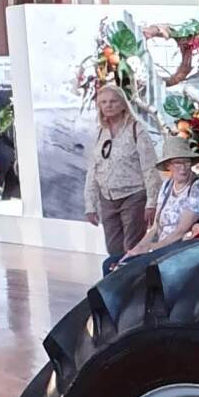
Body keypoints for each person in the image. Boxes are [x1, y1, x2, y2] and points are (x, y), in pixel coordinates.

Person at [82, 80, 149, 261]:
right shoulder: (99, 133)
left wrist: (152, 202)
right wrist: (90, 203)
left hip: (134, 195)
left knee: (132, 248)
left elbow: (150, 167)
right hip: (108, 199)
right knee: (113, 249)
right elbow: (93, 170)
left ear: (122, 104)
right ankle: (116, 284)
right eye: (103, 102)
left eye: (113, 101)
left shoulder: (136, 129)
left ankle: (133, 286)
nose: (108, 106)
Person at [129, 132, 199, 256]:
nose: (183, 167)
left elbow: (182, 231)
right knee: (113, 263)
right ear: (168, 165)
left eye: (187, 162)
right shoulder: (166, 186)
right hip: (160, 248)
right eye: (178, 162)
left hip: (180, 250)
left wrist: (153, 249)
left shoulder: (198, 187)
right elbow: (155, 227)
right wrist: (138, 248)